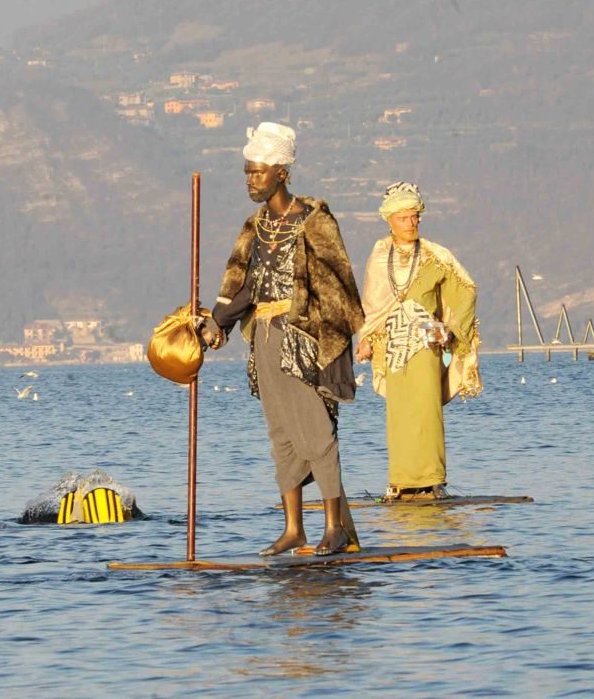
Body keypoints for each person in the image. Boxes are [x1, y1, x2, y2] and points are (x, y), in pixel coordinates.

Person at [199, 122, 365, 556]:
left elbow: (337, 285)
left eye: (257, 172)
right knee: (283, 436)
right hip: (265, 338)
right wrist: (218, 323)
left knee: (316, 430)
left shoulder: (314, 219)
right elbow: (244, 284)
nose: (251, 180)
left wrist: (330, 338)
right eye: (248, 172)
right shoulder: (255, 225)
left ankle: (335, 527)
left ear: (281, 173)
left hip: (305, 337)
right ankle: (294, 528)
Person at [355, 183, 482, 501]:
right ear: (390, 220)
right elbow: (372, 303)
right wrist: (366, 338)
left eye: (415, 217)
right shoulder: (379, 255)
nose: (411, 223)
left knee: (427, 411)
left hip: (425, 344)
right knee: (398, 414)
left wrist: (450, 328)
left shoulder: (435, 256)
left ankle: (432, 479)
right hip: (391, 345)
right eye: (404, 218)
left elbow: (465, 288)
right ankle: (400, 480)